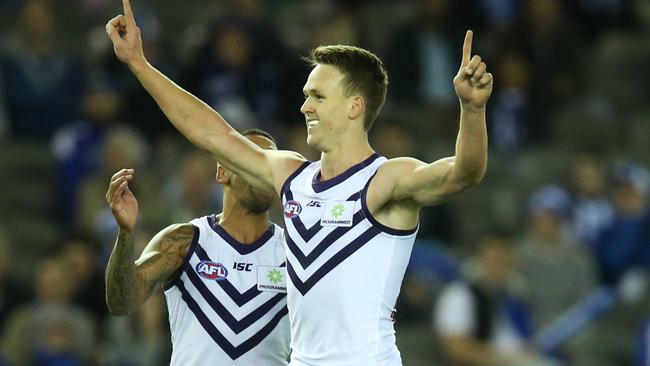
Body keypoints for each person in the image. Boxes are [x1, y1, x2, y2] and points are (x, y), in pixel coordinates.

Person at [105, 0, 492, 364]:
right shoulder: (293, 175)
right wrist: (139, 64)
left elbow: (464, 173)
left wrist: (472, 110)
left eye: (318, 97)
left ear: (355, 106)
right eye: (307, 95)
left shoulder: (386, 178)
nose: (304, 106)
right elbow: (213, 135)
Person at [104, 129, 291, 365]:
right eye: (251, 159)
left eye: (269, 164)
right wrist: (126, 233)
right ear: (222, 172)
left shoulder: (295, 252)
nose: (261, 172)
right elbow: (121, 302)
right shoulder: (184, 241)